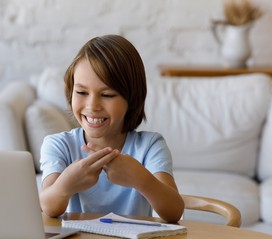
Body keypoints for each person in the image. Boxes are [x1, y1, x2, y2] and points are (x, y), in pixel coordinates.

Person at [39, 34, 184, 223]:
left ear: (131, 99)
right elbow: (49, 208)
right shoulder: (59, 145)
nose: (92, 106)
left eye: (107, 94)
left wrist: (140, 179)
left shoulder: (150, 146)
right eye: (82, 92)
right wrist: (65, 185)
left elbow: (174, 212)